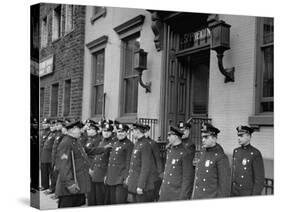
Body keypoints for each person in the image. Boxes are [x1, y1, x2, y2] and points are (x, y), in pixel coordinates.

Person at [55, 120, 91, 208]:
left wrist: (104, 149)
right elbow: (63, 166)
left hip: (78, 183)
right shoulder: (66, 143)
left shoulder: (76, 141)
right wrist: (70, 183)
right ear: (73, 129)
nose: (82, 130)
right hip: (71, 187)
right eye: (80, 128)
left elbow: (86, 152)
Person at [191, 123, 231, 199]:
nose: (203, 140)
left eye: (206, 137)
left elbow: (224, 187)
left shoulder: (221, 157)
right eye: (202, 137)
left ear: (214, 138)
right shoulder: (202, 152)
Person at [159, 126, 194, 201]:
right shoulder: (171, 150)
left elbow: (187, 178)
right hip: (165, 192)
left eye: (169, 135)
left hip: (176, 194)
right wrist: (162, 188)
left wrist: (184, 197)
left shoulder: (185, 153)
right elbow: (167, 172)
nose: (168, 138)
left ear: (175, 137)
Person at [231, 125, 265, 196]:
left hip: (246, 194)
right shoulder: (236, 151)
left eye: (241, 136)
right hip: (234, 193)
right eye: (238, 136)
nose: (238, 138)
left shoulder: (255, 153)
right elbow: (233, 173)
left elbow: (259, 180)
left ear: (249, 137)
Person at [126, 123, 155, 203]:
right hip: (135, 181)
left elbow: (145, 167)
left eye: (133, 131)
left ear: (137, 131)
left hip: (141, 185)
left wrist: (140, 185)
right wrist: (129, 176)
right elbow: (134, 164)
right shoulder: (138, 143)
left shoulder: (145, 144)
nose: (132, 133)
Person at [105, 123, 134, 204]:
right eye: (118, 132)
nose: (120, 134)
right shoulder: (115, 143)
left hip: (120, 179)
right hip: (111, 177)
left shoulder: (129, 145)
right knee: (112, 202)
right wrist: (107, 175)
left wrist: (126, 177)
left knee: (119, 202)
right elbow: (110, 161)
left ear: (127, 133)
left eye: (122, 132)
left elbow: (129, 162)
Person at [90, 123, 115, 205]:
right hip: (96, 171)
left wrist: (107, 174)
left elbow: (112, 161)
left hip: (103, 172)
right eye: (104, 131)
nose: (106, 133)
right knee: (94, 196)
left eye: (108, 131)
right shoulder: (101, 141)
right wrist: (92, 167)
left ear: (111, 132)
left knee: (101, 197)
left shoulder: (113, 143)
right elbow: (96, 155)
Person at [144, 125, 163, 201]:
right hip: (142, 173)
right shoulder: (138, 143)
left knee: (151, 195)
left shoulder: (152, 143)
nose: (144, 133)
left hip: (151, 174)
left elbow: (157, 159)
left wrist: (160, 172)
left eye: (146, 131)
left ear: (148, 132)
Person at [40, 120, 56, 191]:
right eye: (43, 123)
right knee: (44, 172)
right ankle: (44, 185)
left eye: (46, 123)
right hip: (43, 155)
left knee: (51, 173)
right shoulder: (43, 132)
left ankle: (52, 187)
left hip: (49, 156)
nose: (44, 125)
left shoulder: (51, 132)